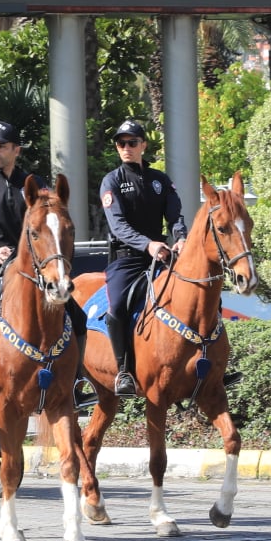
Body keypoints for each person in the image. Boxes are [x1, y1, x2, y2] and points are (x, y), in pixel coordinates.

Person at [0, 121, 88, 411]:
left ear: (16, 149)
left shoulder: (38, 189)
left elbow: (53, 227)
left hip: (35, 269)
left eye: (2, 146)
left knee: (79, 316)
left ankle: (77, 382)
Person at [99, 119, 186, 397]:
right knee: (117, 309)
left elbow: (175, 216)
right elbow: (118, 226)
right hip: (127, 259)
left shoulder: (160, 180)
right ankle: (124, 371)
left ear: (143, 145)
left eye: (132, 142)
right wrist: (148, 244)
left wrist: (181, 237)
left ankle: (214, 365)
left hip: (162, 257)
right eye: (121, 143)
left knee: (201, 292)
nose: (126, 147)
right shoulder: (112, 181)